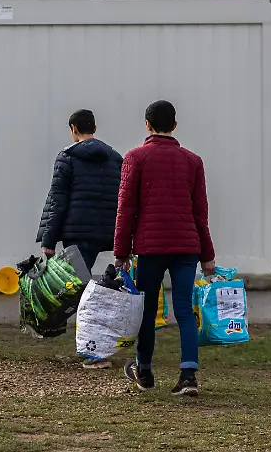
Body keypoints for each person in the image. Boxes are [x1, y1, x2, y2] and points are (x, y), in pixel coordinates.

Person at [114, 100, 215, 396]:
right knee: (184, 310)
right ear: (175, 124)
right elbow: (200, 213)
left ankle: (143, 370)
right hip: (186, 247)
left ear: (147, 124)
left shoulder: (135, 157)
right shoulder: (193, 161)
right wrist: (207, 255)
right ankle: (188, 376)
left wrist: (121, 252)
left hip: (150, 247)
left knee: (146, 311)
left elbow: (126, 208)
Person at [37, 109, 123, 369]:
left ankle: (94, 353)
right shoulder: (115, 158)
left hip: (76, 233)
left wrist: (48, 239)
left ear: (74, 128)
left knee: (80, 293)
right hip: (104, 233)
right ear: (94, 127)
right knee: (88, 290)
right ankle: (94, 348)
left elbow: (57, 200)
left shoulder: (68, 157)